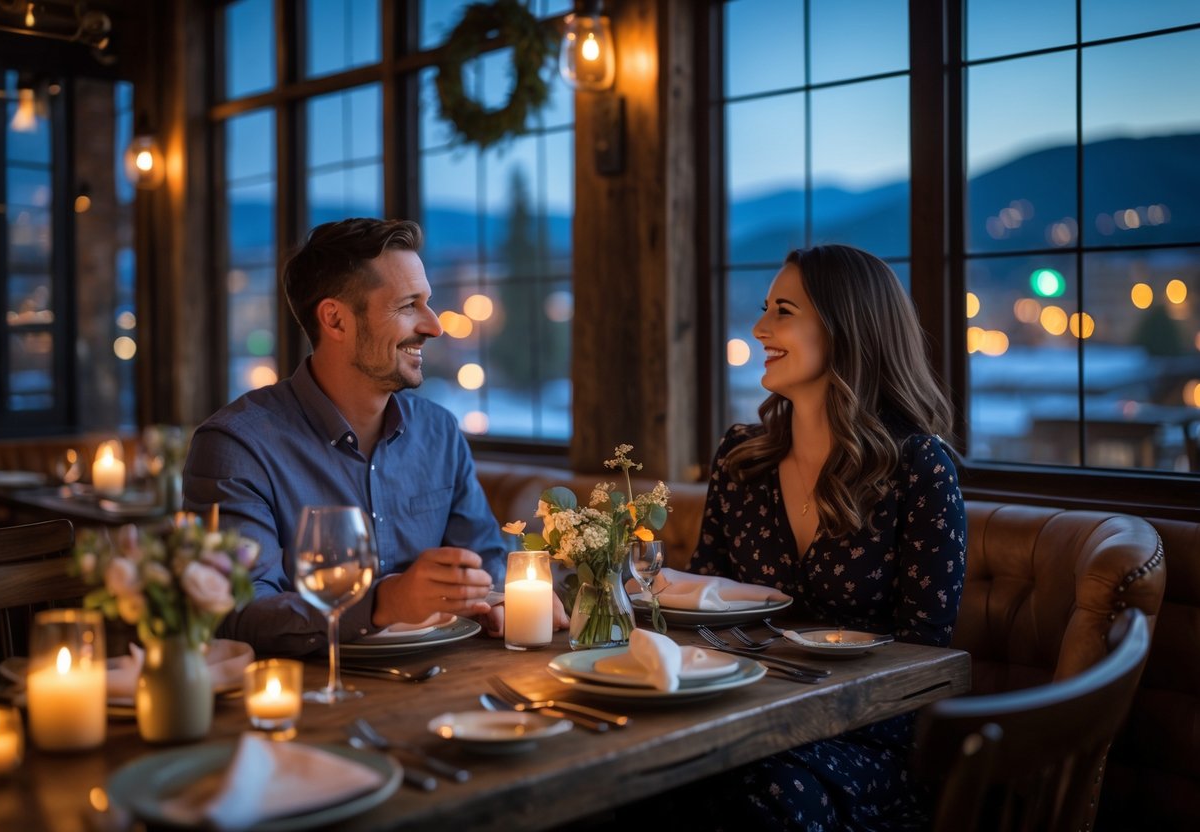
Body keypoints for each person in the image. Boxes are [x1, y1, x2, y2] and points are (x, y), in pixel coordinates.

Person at [664, 244, 967, 831]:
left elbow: (924, 654)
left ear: (847, 328)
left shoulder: (918, 467)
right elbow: (702, 604)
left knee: (763, 794)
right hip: (742, 710)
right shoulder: (741, 456)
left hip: (861, 735)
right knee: (646, 779)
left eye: (783, 310)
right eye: (764, 308)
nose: (759, 327)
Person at [182, 218, 568, 656]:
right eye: (408, 306)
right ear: (335, 320)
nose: (434, 326)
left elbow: (486, 563)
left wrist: (500, 598)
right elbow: (238, 614)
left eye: (428, 302)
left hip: (442, 685)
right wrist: (385, 603)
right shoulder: (236, 447)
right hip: (308, 698)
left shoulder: (438, 432)